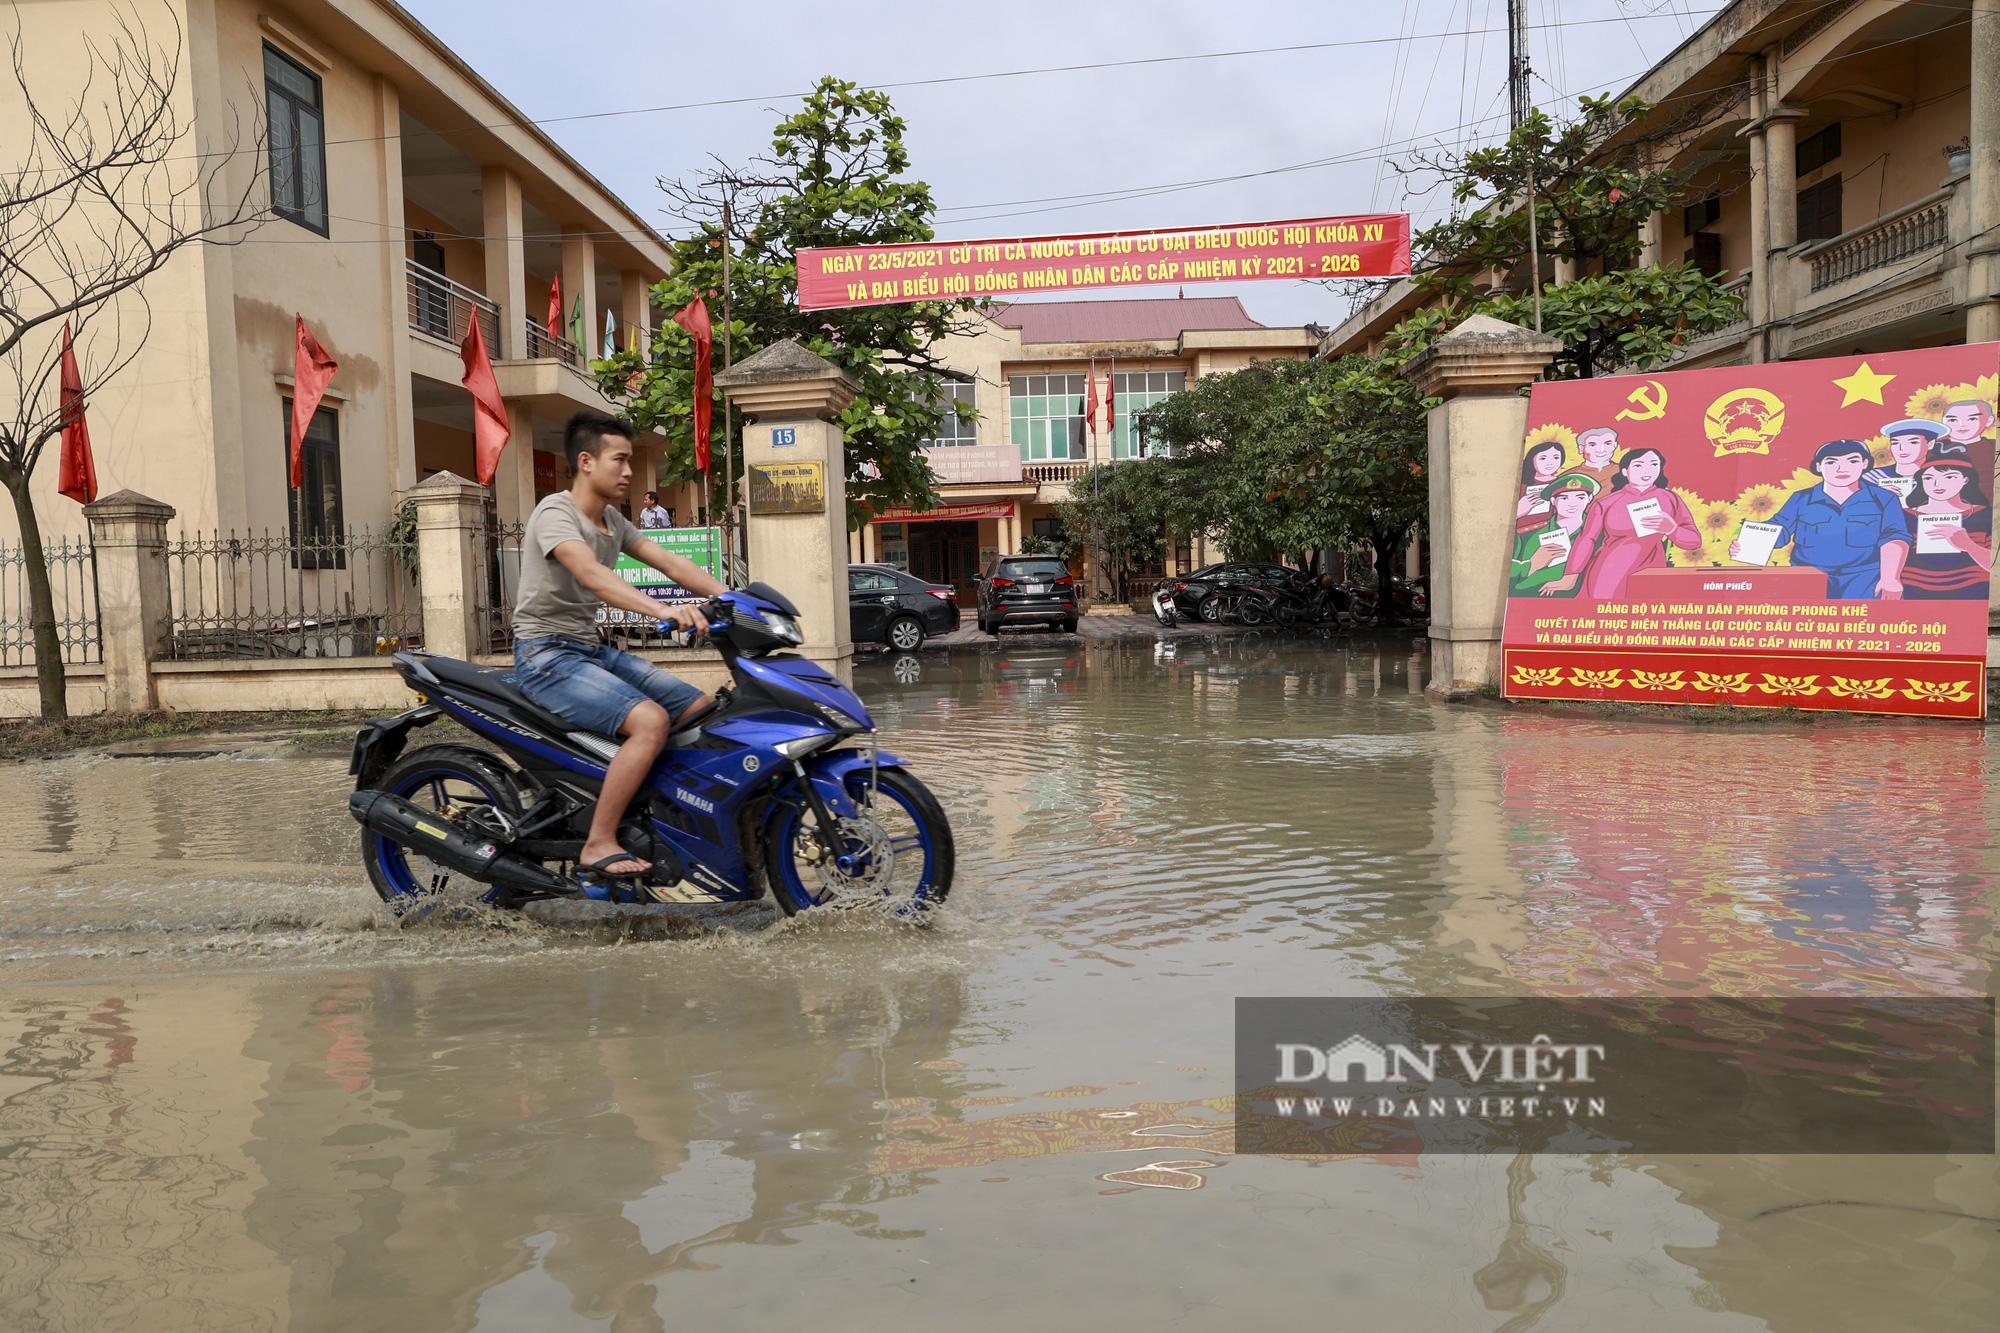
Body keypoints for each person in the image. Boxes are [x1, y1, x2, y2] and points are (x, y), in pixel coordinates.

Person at [510, 412, 726, 886]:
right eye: (621, 460)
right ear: (586, 462)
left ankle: (662, 818)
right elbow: (592, 576)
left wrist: (733, 599)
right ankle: (599, 841)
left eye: (630, 461)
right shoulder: (555, 513)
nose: (629, 471)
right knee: (650, 721)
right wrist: (666, 612)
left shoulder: (612, 520)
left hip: (588, 650)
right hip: (545, 656)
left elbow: (668, 560)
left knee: (701, 709)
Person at [1732, 439, 1910, 599]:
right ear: (1818, 467)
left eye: (1853, 461)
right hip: (1809, 579)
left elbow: (1895, 538)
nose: (1842, 469)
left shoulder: (1884, 498)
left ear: (1864, 464)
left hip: (1865, 580)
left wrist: (1890, 578)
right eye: (1831, 462)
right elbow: (1780, 528)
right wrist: (1747, 545)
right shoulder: (1800, 498)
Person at [1540, 447, 1699, 600]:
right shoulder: (1607, 503)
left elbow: (1694, 541)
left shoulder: (1670, 499)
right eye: (1638, 465)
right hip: (1609, 574)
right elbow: (1587, 539)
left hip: (1650, 573)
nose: (1647, 471)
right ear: (1625, 471)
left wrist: (1672, 529)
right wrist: (1570, 576)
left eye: (1653, 464)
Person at [1898, 457, 1992, 600]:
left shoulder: (1985, 514)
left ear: (1965, 480)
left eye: (1949, 477)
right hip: (1912, 592)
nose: (1937, 484)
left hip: (1973, 592)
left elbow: (1994, 566)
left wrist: (1968, 545)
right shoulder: (1904, 516)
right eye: (1928, 478)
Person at [1511, 473, 1598, 595]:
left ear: (1589, 499)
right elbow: (1509, 578)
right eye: (1564, 498)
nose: (1572, 504)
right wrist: (1533, 564)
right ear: (1553, 500)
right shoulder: (1527, 535)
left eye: (1580, 498)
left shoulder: (1601, 536)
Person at [1865, 419, 1946, 501]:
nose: (1902, 448)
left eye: (1913, 442)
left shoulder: (1942, 478)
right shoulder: (1871, 477)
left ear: (1930, 444)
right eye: (1895, 443)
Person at [1516, 440, 1569, 528]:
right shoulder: (1521, 484)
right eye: (1543, 458)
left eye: (1556, 458)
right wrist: (1520, 510)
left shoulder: (1562, 484)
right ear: (1532, 459)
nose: (1550, 463)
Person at [1556, 426, 1621, 490]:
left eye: (1607, 444)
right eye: (1592, 445)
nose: (1601, 450)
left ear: (1615, 445)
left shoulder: (1624, 471)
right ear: (1581, 449)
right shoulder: (1569, 476)